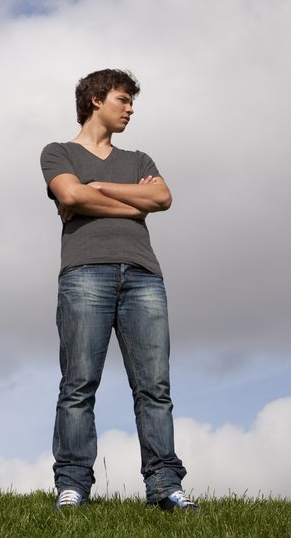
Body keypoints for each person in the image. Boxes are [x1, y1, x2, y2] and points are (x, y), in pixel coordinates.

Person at [39, 68, 198, 512]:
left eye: (131, 102)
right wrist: (132, 201)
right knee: (78, 385)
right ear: (96, 100)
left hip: (144, 276)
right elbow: (70, 196)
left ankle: (165, 486)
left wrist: (100, 188)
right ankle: (72, 486)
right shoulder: (58, 152)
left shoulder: (140, 159)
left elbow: (163, 198)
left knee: (154, 387)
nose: (130, 109)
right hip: (84, 273)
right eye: (123, 100)